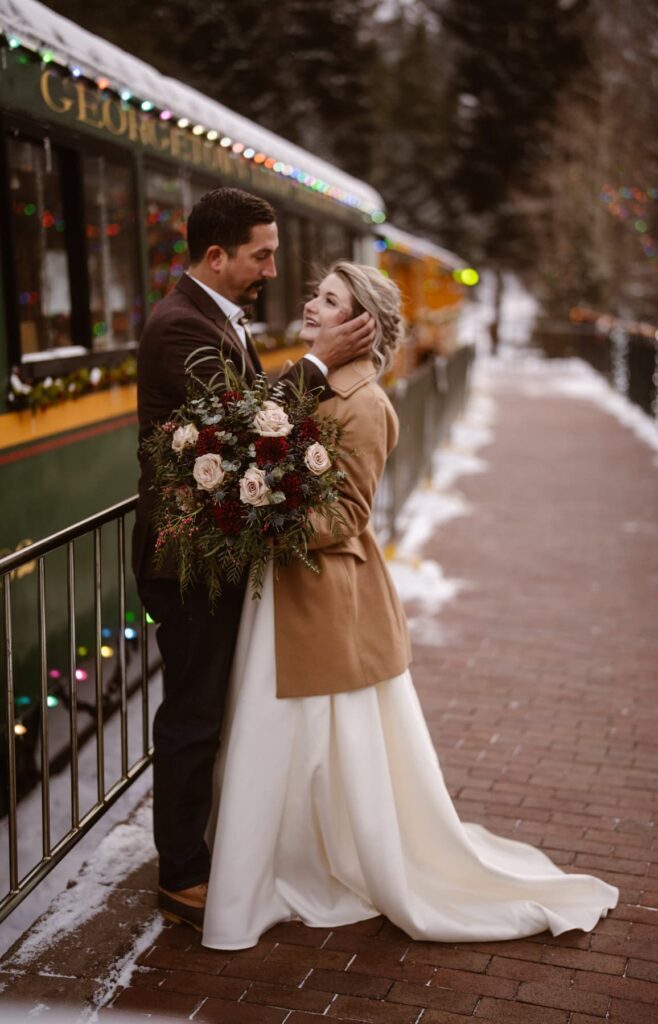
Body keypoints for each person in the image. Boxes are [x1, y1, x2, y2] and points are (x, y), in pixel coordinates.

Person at [202, 261, 619, 948]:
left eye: (327, 300)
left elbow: (348, 515)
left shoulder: (365, 404)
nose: (309, 304)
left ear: (359, 323)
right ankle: (276, 855)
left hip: (319, 595)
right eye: (315, 295)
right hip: (281, 587)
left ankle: (298, 862)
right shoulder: (314, 382)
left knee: (307, 733)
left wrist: (260, 522)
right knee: (281, 732)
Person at [132, 189, 375, 931]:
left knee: (210, 707)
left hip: (214, 551)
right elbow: (233, 422)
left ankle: (205, 847)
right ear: (216, 257)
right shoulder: (180, 327)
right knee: (193, 715)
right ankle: (180, 872)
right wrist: (316, 362)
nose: (273, 267)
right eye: (261, 254)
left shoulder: (210, 316)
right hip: (186, 562)